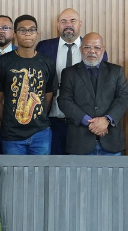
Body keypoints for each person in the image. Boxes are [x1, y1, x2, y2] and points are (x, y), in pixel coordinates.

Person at [38, 8, 107, 155]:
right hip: (53, 119)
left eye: (72, 21)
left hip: (84, 124)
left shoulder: (94, 50)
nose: (68, 24)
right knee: (54, 168)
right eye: (63, 21)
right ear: (58, 25)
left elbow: (102, 87)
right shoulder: (43, 48)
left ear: (80, 24)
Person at [0, 15, 57, 154]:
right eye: (22, 30)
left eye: (31, 30)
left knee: (41, 174)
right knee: (13, 175)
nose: (27, 33)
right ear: (15, 34)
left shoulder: (47, 62)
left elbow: (48, 97)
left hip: (41, 133)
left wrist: (39, 117)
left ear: (37, 34)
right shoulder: (2, 62)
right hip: (12, 135)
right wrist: (9, 121)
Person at [57, 33, 128, 156]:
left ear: (103, 49)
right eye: (87, 47)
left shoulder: (116, 71)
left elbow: (123, 98)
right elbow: (64, 101)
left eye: (97, 47)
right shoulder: (69, 73)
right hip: (80, 142)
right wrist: (89, 122)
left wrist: (107, 120)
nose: (92, 51)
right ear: (81, 49)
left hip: (110, 141)